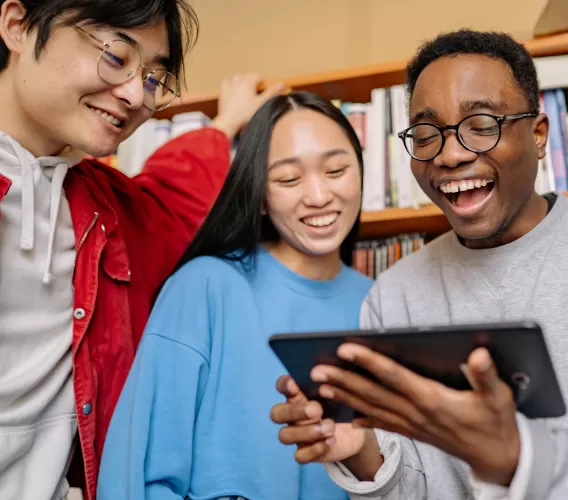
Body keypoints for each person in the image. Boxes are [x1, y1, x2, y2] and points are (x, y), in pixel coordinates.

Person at [270, 28, 568, 499]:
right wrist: (361, 451)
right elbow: (417, 489)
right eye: (428, 134)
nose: (450, 155)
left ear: (538, 135)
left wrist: (517, 455)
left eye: (481, 125)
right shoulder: (394, 295)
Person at [0, 0, 284, 497]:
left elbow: (173, 206)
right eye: (115, 55)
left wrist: (226, 124)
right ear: (18, 27)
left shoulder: (105, 211)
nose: (136, 94)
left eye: (155, 78)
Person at [97, 91, 373, 499]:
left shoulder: (382, 302)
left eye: (335, 170)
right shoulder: (205, 286)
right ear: (260, 197)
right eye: (289, 179)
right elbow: (136, 474)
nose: (318, 196)